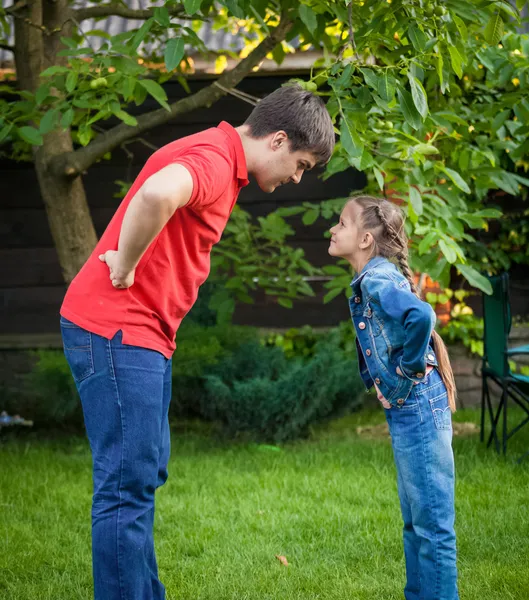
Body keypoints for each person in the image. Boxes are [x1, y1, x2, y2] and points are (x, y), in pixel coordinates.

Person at [59, 83, 335, 600]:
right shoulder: (213, 158)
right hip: (118, 329)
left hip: (141, 334)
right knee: (126, 488)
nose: (297, 177)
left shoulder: (220, 154)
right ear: (277, 140)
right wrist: (126, 261)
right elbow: (159, 194)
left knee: (142, 475)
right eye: (300, 164)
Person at [328, 195, 459, 600]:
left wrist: (409, 368)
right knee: (416, 522)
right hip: (410, 410)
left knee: (433, 526)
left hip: (419, 405)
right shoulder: (374, 275)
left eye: (342, 224)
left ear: (366, 239)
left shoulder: (376, 278)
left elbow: (421, 316)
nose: (333, 229)